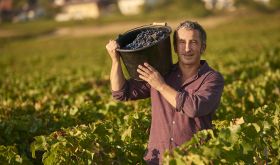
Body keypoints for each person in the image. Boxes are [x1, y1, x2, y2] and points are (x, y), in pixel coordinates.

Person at [105, 21, 224, 165]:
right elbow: (121, 92)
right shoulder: (161, 73)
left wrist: (161, 86)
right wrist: (115, 60)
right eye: (181, 42)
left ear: (202, 47)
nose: (187, 48)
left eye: (193, 42)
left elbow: (194, 108)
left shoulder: (212, 78)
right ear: (174, 47)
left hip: (194, 159)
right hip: (158, 159)